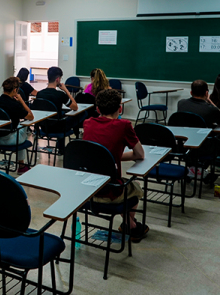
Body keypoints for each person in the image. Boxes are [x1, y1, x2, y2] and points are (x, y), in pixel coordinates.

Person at [82, 89, 148, 242]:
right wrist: (116, 156)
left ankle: (129, 224)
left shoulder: (88, 123)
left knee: (123, 186)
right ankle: (130, 225)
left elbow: (98, 153)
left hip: (86, 190)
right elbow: (140, 154)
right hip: (108, 191)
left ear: (97, 109)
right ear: (120, 108)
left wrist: (113, 156)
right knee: (135, 186)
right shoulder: (123, 125)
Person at [0, 77, 34, 174]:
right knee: (24, 125)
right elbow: (30, 116)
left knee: (17, 128)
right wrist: (22, 101)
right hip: (10, 140)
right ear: (15, 90)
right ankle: (21, 166)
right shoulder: (14, 104)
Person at [35, 66, 79, 152]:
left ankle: (61, 148)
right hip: (58, 128)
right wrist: (66, 90)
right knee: (80, 115)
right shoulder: (60, 94)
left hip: (44, 127)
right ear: (58, 79)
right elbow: (75, 107)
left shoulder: (39, 94)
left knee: (61, 114)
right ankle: (71, 141)